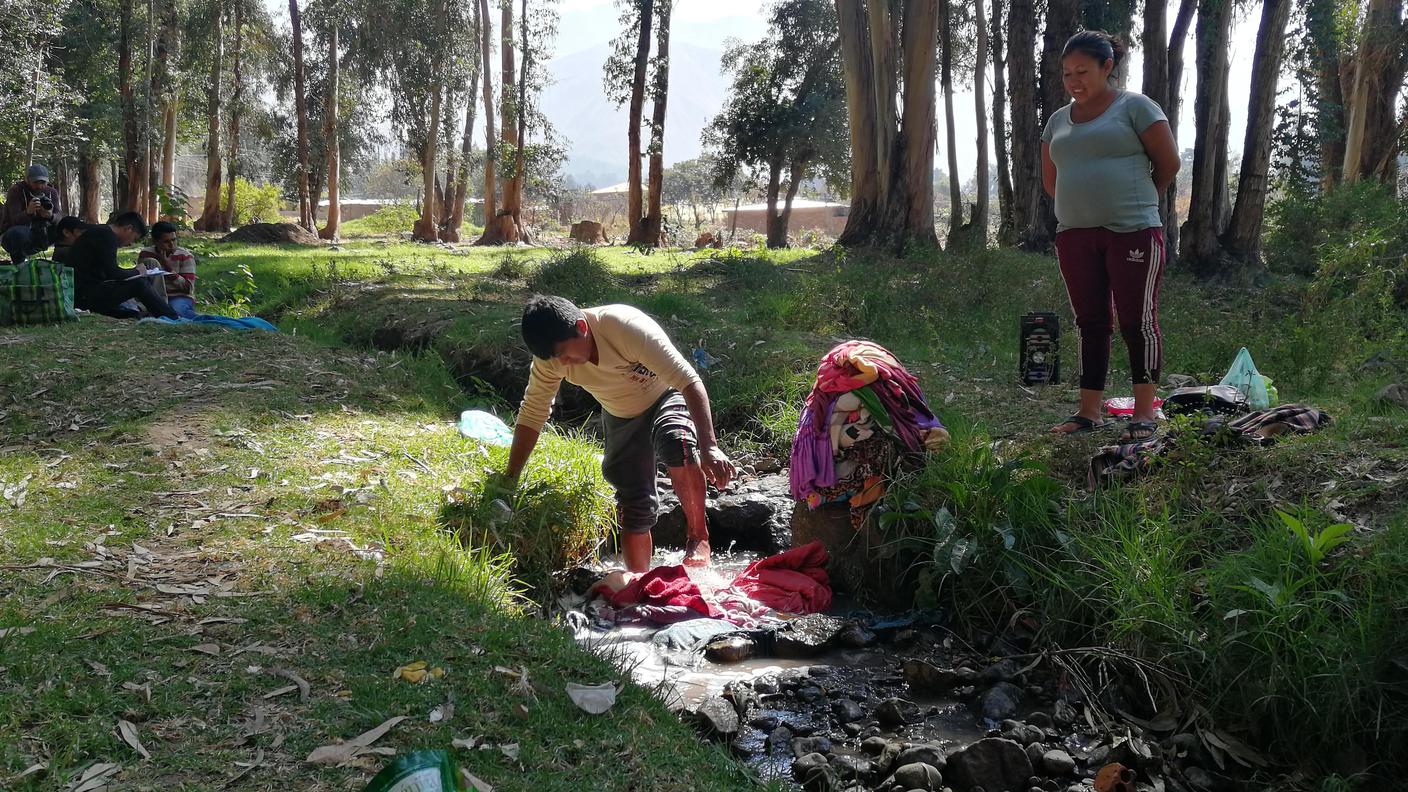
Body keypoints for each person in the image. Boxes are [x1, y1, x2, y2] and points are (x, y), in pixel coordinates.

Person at [504, 296, 736, 572]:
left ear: (581, 326)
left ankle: (698, 536)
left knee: (677, 442)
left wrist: (709, 447)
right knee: (633, 501)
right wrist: (511, 476)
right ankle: (639, 582)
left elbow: (689, 381)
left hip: (665, 395)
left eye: (565, 353)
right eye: (555, 358)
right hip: (620, 414)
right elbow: (533, 412)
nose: (563, 363)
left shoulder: (625, 327)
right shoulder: (551, 359)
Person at [1041, 30, 1180, 441]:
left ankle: (1143, 412)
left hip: (1133, 231)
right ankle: (1089, 411)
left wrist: (1133, 199)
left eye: (1082, 71)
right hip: (1075, 236)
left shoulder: (1136, 107)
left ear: (1107, 67)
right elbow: (1052, 181)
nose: (1074, 81)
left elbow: (1168, 164)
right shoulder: (1057, 121)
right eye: (1067, 74)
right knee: (1091, 322)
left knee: (1138, 321)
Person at [66, 210, 178, 319]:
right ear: (128, 229)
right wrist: (137, 272)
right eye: (134, 238)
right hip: (84, 295)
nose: (131, 243)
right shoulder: (106, 236)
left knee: (131, 296)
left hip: (83, 291)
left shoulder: (101, 232)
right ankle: (172, 317)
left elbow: (108, 271)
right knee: (139, 284)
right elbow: (114, 273)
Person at [1, 164, 62, 264]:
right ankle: (19, 265)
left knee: (69, 227)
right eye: (36, 182)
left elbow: (60, 218)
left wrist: (50, 216)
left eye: (43, 182)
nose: (39, 186)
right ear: (27, 180)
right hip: (16, 235)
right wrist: (28, 212)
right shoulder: (16, 191)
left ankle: (59, 264)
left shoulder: (51, 192)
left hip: (43, 232)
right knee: (17, 233)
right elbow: (13, 221)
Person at [138, 221, 198, 318]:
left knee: (176, 312)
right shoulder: (146, 254)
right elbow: (141, 279)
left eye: (174, 240)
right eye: (166, 242)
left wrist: (169, 269)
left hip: (178, 296)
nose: (172, 245)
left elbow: (188, 288)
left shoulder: (185, 256)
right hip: (153, 295)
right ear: (156, 242)